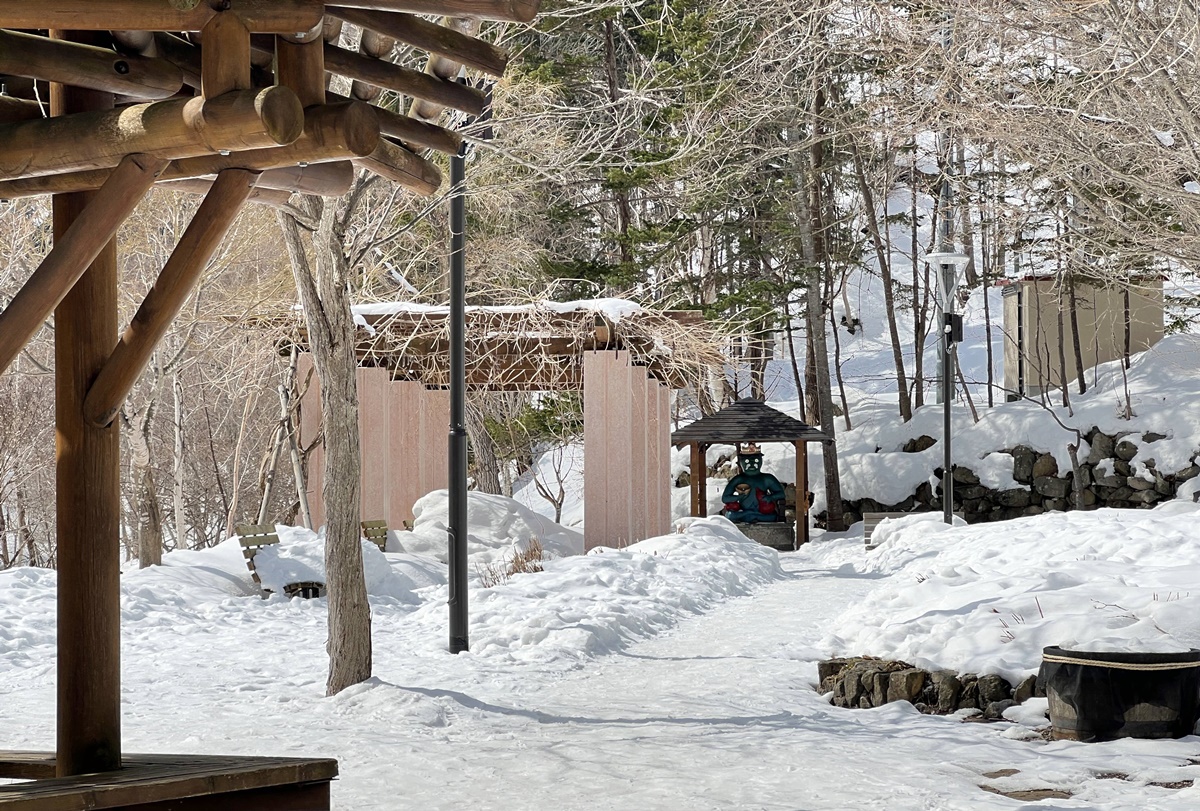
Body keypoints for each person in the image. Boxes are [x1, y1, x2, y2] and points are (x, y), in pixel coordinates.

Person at [722, 444, 785, 523]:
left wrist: (769, 497)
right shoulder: (738, 479)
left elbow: (781, 494)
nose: (751, 464)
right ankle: (750, 514)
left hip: (762, 511)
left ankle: (752, 515)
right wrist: (739, 497)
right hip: (744, 511)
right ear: (741, 462)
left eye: (755, 460)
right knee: (730, 515)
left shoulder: (767, 478)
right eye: (747, 461)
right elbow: (725, 498)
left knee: (772, 516)